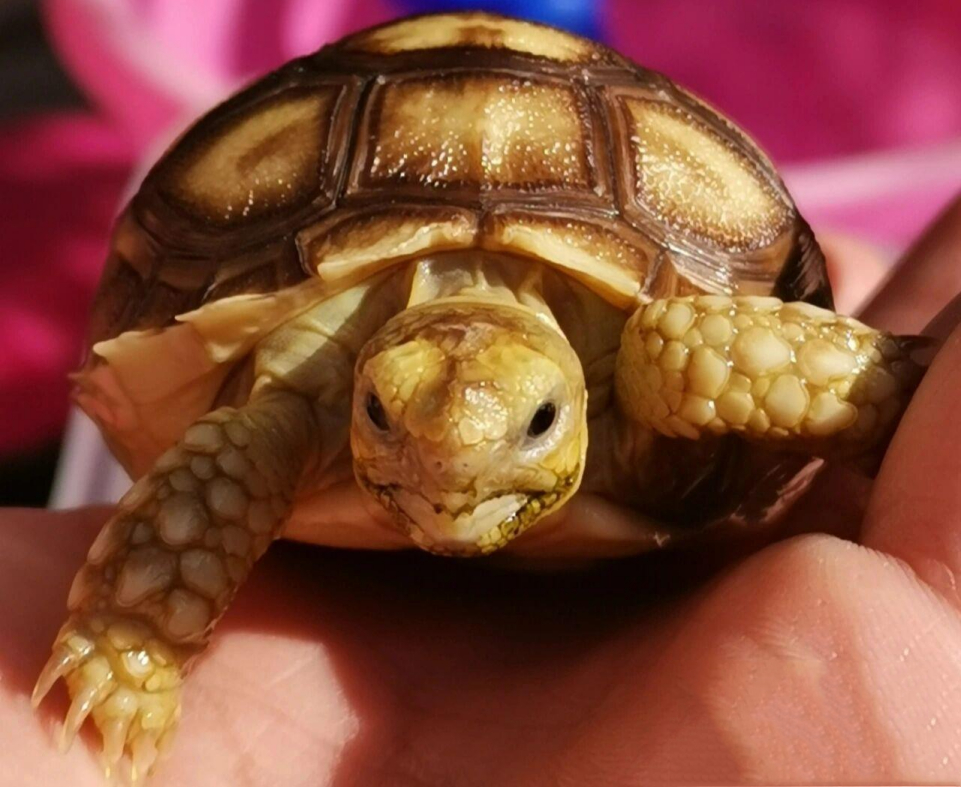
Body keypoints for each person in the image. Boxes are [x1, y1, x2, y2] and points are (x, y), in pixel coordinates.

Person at [3, 205, 961, 785]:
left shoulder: (652, 360)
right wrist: (131, 645)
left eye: (537, 424)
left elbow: (725, 346)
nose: (449, 470)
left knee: (692, 355)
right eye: (384, 418)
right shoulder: (291, 405)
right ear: (365, 384)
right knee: (253, 440)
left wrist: (878, 399)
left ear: (570, 398)